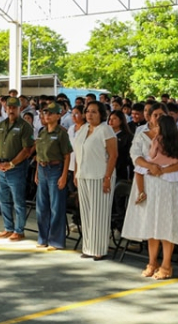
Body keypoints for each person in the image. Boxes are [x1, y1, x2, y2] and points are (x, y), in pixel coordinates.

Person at [122, 111, 178, 280]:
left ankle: (166, 264)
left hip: (167, 184)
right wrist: (153, 167)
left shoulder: (170, 140)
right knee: (152, 224)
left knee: (167, 225)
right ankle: (152, 262)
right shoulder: (165, 140)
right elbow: (137, 157)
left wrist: (161, 168)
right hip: (154, 182)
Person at [72, 101, 118, 259]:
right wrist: (76, 172)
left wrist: (107, 177)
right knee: (85, 213)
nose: (90, 114)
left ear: (101, 114)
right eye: (88, 111)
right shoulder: (83, 128)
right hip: (84, 175)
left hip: (100, 175)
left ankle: (99, 249)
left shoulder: (106, 129)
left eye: (94, 112)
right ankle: (88, 247)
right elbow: (78, 152)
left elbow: (113, 155)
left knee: (99, 213)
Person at [0, 97, 35, 241]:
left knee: (18, 200)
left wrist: (11, 164)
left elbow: (26, 150)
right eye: (9, 107)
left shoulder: (24, 126)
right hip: (1, 167)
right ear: (5, 108)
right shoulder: (1, 125)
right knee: (3, 199)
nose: (11, 110)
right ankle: (8, 228)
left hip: (16, 168)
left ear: (19, 109)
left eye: (14, 107)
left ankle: (19, 230)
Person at [35, 103, 72, 250]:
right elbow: (39, 154)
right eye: (45, 113)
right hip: (42, 168)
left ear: (58, 115)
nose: (47, 116)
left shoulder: (62, 133)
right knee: (42, 206)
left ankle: (56, 240)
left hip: (55, 169)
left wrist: (64, 176)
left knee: (56, 206)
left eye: (51, 113)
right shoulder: (42, 132)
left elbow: (67, 155)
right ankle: (43, 237)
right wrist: (37, 172)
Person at [108, 110, 134, 181]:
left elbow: (130, 156)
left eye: (114, 119)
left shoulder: (128, 136)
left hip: (121, 169)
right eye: (110, 119)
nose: (111, 121)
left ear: (121, 120)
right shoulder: (106, 135)